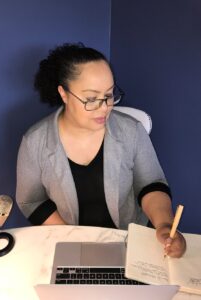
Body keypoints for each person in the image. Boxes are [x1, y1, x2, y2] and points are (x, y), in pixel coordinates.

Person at [16, 43, 186, 258]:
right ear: (64, 93)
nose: (105, 107)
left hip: (129, 241)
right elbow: (31, 200)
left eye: (109, 95)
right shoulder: (35, 142)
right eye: (91, 99)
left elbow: (150, 183)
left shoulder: (131, 131)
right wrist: (70, 237)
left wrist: (163, 224)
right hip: (68, 242)